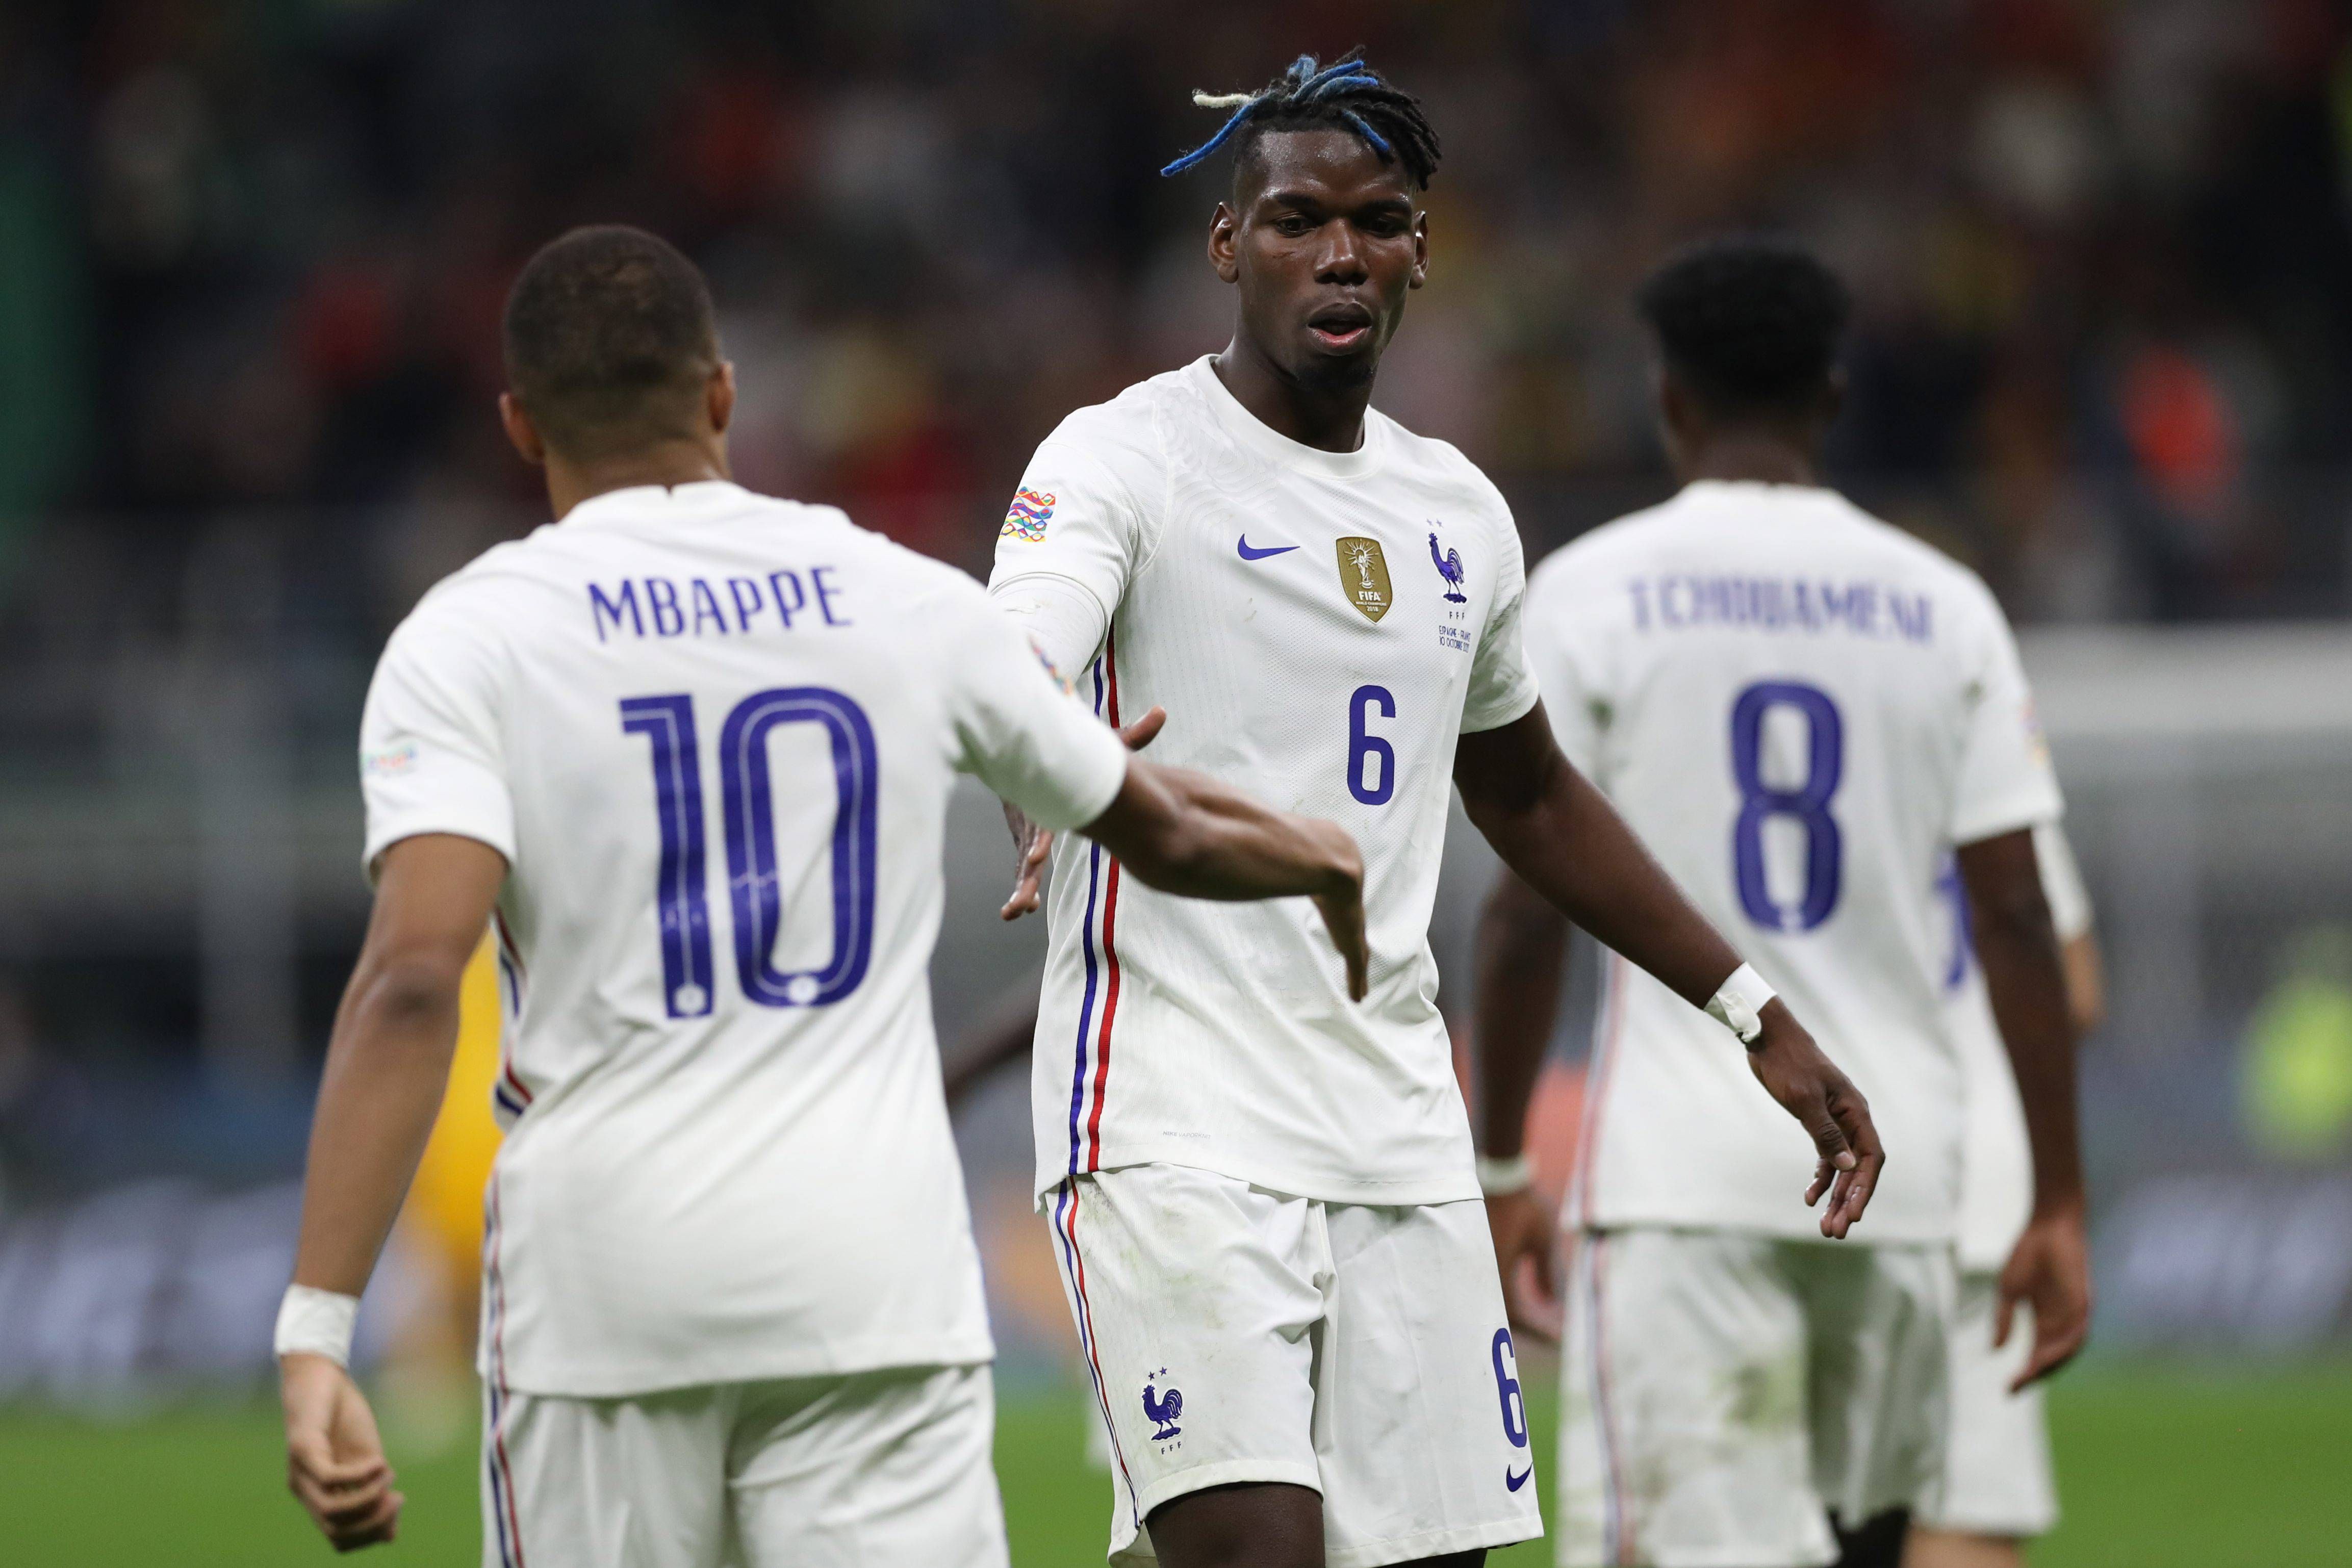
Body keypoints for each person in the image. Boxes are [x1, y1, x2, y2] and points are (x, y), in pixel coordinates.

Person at [272, 224, 1374, 1567]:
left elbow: (408, 979)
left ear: (518, 424)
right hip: (869, 1277)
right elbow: (1166, 828)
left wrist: (318, 1329)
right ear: (723, 392)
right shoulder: (899, 597)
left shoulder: (470, 638)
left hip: (601, 1286)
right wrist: (1319, 858)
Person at [988, 59, 1883, 1568]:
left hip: (1397, 1129)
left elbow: (1525, 790)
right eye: (1293, 220)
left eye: (1376, 222)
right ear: (1226, 247)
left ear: (1417, 253)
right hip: (1171, 1121)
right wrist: (1051, 753)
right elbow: (1012, 649)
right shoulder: (1121, 457)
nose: (1338, 252)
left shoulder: (1456, 509)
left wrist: (1750, 1010)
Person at [1472, 237, 2092, 1568]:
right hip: (1904, 1177)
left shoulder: (1589, 592)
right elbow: (2020, 916)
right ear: (1829, 394)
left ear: (1669, 400)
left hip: (1687, 1176)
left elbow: (1525, 903)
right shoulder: (1945, 606)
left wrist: (1503, 1162)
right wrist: (2054, 1197)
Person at [1905, 826, 2102, 1568]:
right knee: (1967, 1518)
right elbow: (2074, 991)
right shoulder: (1978, 715)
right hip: (1969, 1181)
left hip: (1780, 1175)